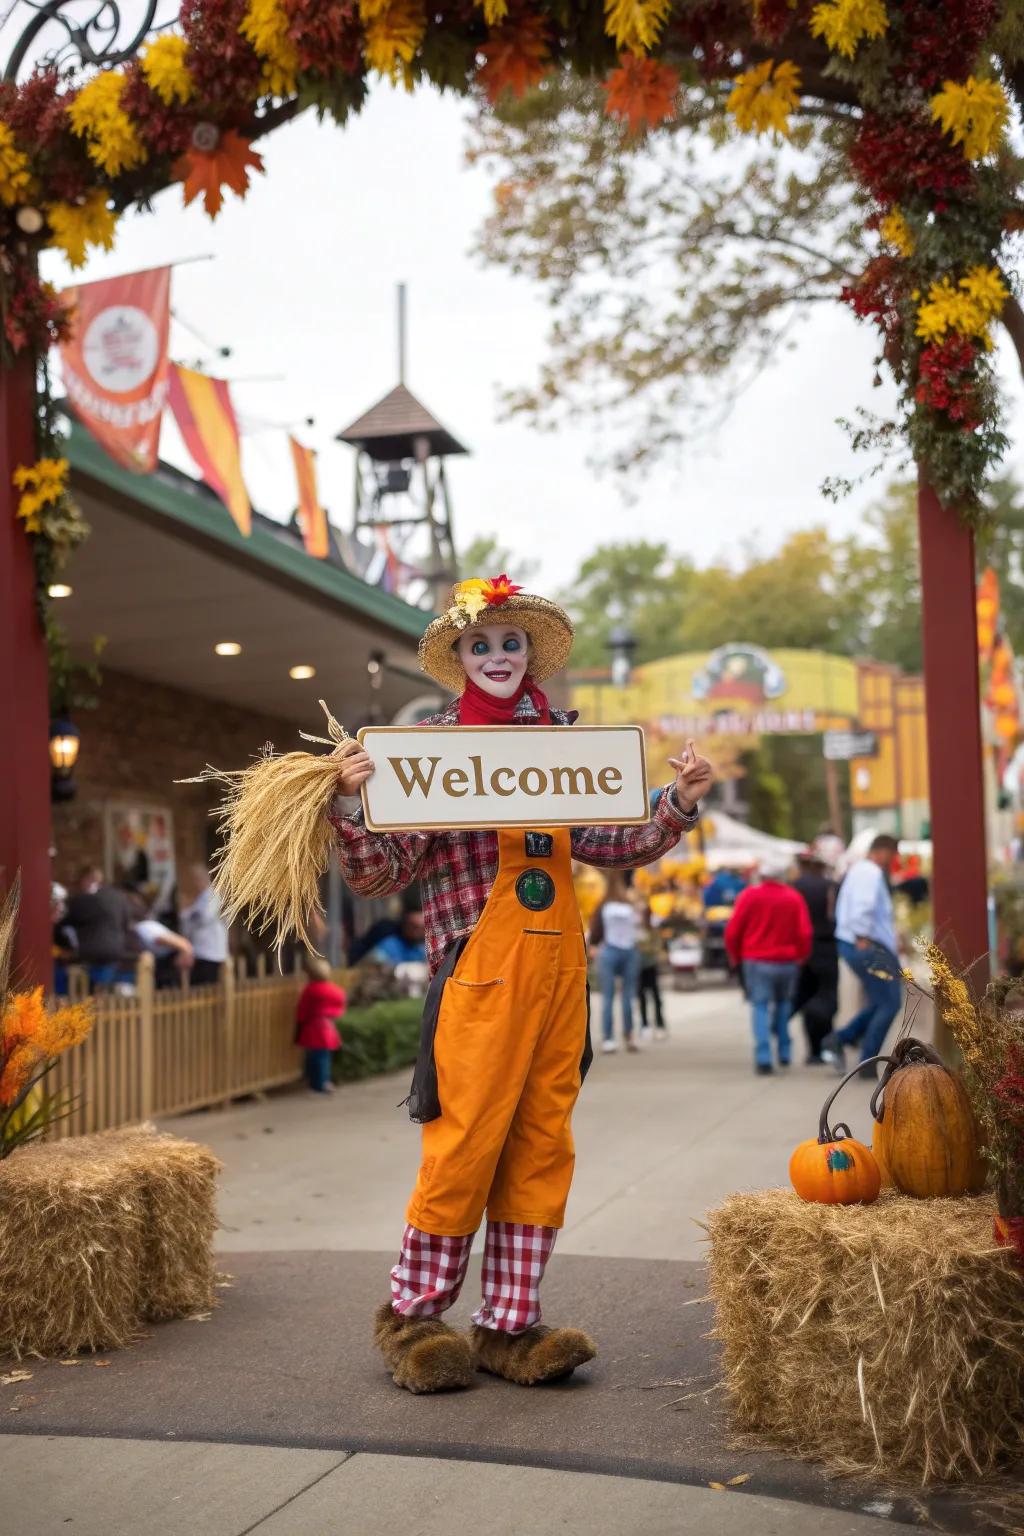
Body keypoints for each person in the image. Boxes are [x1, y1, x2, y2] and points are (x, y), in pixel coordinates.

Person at [330, 575, 713, 1394]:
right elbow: (378, 873)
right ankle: (413, 1317)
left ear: (529, 653)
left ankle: (509, 1325)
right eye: (481, 644)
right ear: (461, 658)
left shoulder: (568, 748)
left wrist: (676, 801)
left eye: (511, 643)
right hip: (475, 978)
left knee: (542, 1146)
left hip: (558, 980)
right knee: (464, 1144)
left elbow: (616, 842)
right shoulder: (428, 754)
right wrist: (351, 807)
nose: (498, 656)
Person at [823, 833, 903, 1079]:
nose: (892, 860)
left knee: (880, 1002)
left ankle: (841, 1040)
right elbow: (864, 906)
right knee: (890, 1003)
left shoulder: (858, 870)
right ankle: (865, 1060)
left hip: (856, 942)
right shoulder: (871, 872)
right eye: (892, 855)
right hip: (869, 945)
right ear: (884, 851)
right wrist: (862, 935)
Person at [725, 856, 812, 1074]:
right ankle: (784, 1051)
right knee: (783, 1005)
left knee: (760, 1006)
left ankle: (764, 1057)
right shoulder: (794, 897)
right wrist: (801, 956)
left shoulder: (749, 896)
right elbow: (805, 932)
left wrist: (735, 957)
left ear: (761, 875)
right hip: (787, 961)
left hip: (756, 960)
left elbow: (733, 931)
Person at [791, 852, 839, 1065]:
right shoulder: (831, 886)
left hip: (805, 948)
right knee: (827, 997)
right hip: (827, 947)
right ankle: (825, 1045)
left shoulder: (796, 885)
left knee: (806, 997)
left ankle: (813, 1051)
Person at [63, 866, 136, 991]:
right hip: (116, 951)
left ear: (87, 881)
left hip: (91, 954)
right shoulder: (119, 897)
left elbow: (66, 921)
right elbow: (127, 923)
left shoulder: (82, 900)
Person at [590, 872, 640, 1054]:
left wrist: (594, 946)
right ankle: (630, 1036)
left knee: (608, 997)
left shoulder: (603, 905)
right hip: (629, 950)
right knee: (627, 996)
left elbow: (595, 930)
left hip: (608, 950)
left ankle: (608, 1039)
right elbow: (638, 928)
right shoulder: (629, 905)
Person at [294, 955, 346, 1094]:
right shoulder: (334, 990)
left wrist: (300, 1022)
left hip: (313, 1027)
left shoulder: (311, 990)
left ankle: (317, 1084)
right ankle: (324, 1081)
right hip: (328, 1027)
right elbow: (340, 1006)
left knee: (315, 1057)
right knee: (324, 1056)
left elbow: (302, 1009)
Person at [178, 864, 229, 985]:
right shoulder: (201, 898)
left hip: (210, 951)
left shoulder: (213, 896)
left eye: (196, 879)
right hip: (201, 950)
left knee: (207, 986)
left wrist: (190, 914)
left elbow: (205, 917)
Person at [634, 900, 667, 1041]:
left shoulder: (653, 931)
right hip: (639, 967)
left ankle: (660, 1024)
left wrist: (644, 949)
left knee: (656, 996)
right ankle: (644, 1025)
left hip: (651, 966)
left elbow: (657, 947)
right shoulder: (635, 929)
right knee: (641, 998)